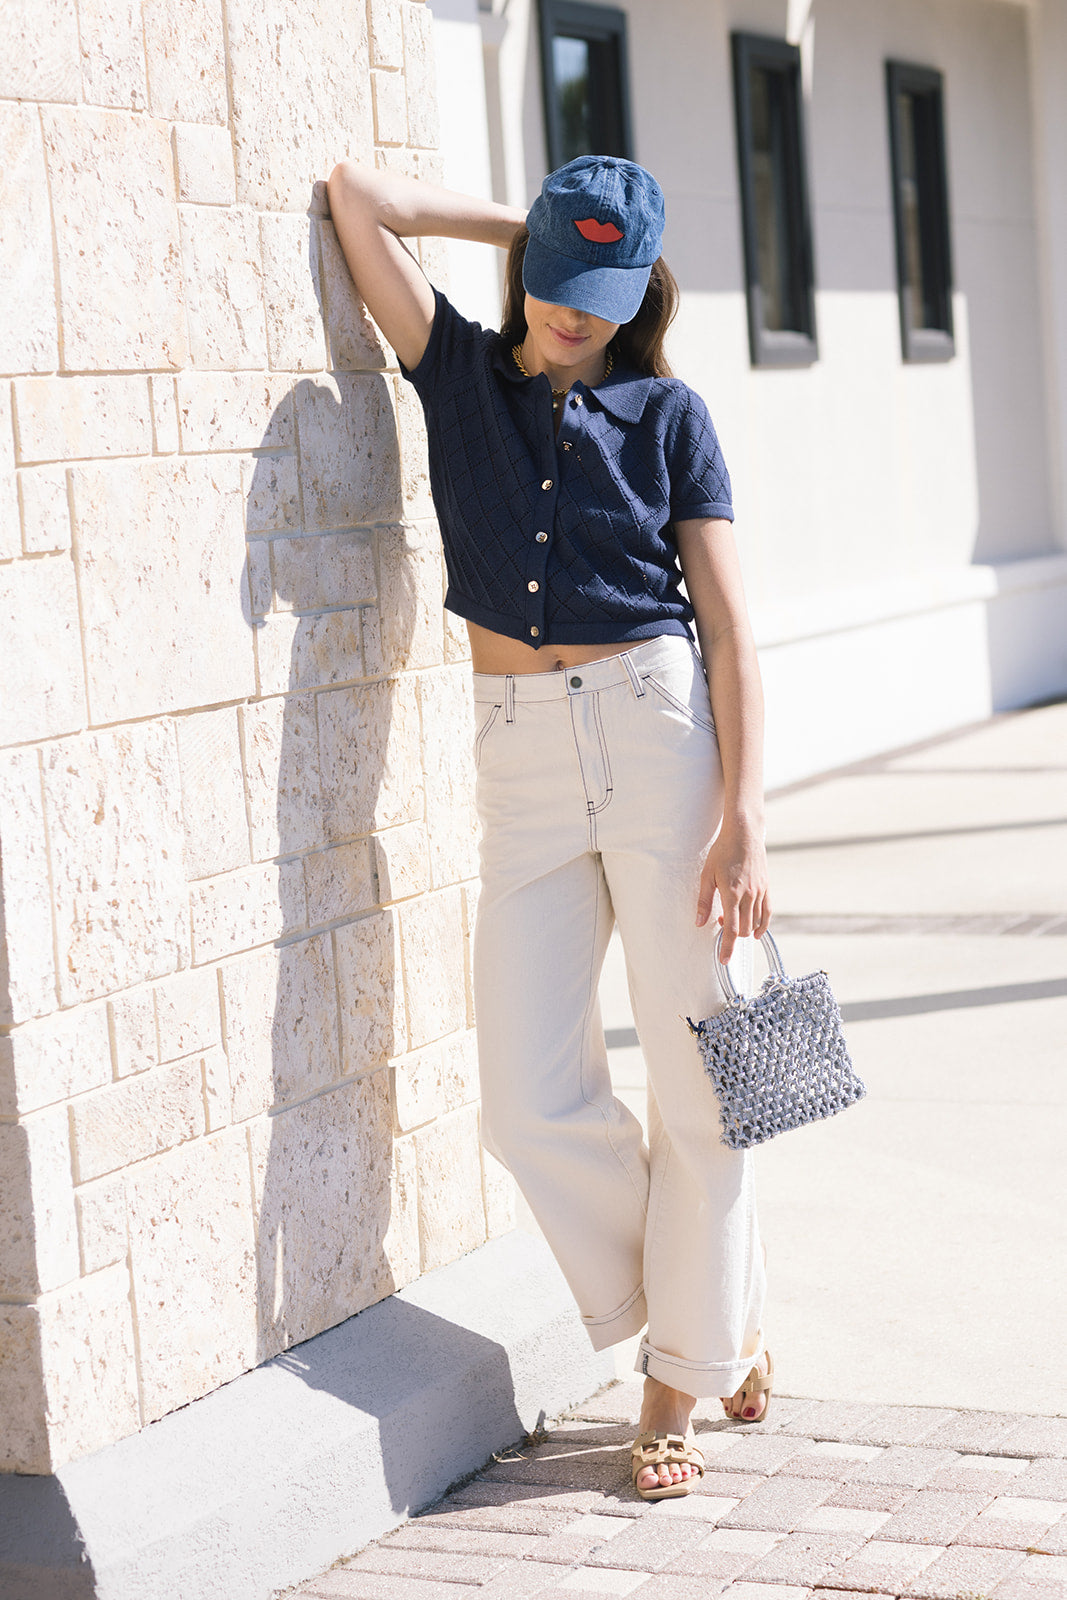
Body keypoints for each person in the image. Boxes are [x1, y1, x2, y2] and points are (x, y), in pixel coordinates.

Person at [326, 152, 773, 1500]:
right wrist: (530, 228)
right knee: (526, 1100)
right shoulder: (457, 372)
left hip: (656, 732)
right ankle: (722, 1311)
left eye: (606, 293)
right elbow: (360, 202)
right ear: (532, 269)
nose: (578, 315)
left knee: (709, 1079)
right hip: (518, 755)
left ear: (639, 293)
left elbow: (733, 625)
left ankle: (674, 1383)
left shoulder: (670, 412)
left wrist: (744, 814)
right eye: (560, 286)